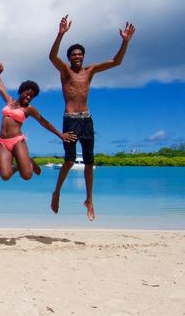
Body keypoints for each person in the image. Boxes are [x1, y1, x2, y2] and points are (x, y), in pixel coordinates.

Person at [49, 15, 135, 220]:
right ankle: (57, 192)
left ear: (83, 56)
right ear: (69, 58)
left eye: (80, 54)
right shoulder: (65, 71)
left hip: (87, 119)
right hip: (70, 119)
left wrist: (125, 41)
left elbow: (116, 61)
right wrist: (60, 34)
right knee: (69, 161)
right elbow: (52, 57)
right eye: (74, 54)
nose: (77, 56)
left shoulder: (90, 71)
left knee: (89, 162)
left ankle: (89, 200)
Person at [0, 63, 76, 182]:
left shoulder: (29, 109)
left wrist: (60, 135)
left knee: (27, 176)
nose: (28, 97)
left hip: (17, 140)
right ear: (21, 91)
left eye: (31, 96)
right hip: (3, 142)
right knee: (5, 176)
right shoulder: (9, 101)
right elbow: (1, 89)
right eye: (27, 94)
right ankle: (19, 166)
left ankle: (30, 161)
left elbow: (44, 122)